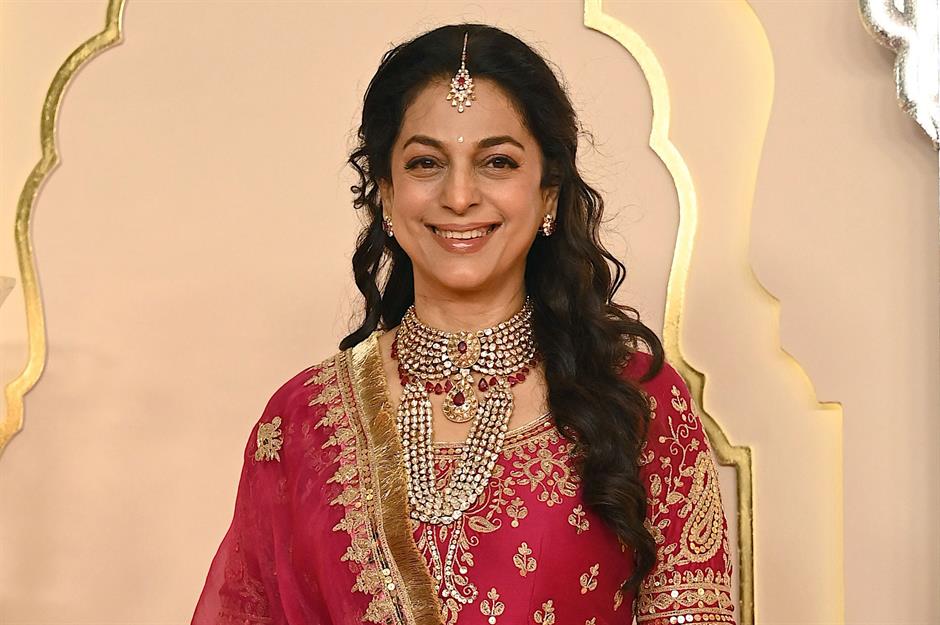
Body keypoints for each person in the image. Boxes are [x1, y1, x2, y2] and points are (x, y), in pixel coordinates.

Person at [192, 23, 736, 625]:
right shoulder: (303, 421)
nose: (458, 196)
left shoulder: (635, 401)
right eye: (426, 163)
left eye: (497, 162)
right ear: (386, 193)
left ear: (549, 193)